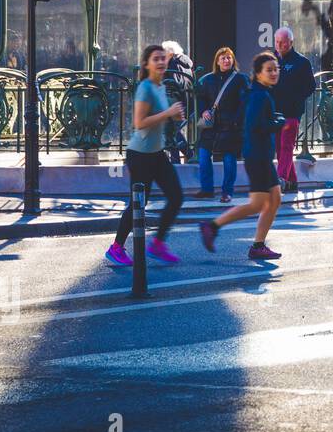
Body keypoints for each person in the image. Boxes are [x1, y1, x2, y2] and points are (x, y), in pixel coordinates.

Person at [198, 52, 286, 261]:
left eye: (276, 69)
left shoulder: (260, 92)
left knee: (275, 200)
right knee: (257, 204)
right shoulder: (259, 95)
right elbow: (256, 126)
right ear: (258, 73)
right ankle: (212, 226)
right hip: (257, 157)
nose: (274, 73)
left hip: (261, 155)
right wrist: (277, 123)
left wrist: (274, 120)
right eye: (269, 70)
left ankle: (258, 245)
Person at [105, 44, 186, 267]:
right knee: (138, 204)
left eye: (163, 58)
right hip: (140, 155)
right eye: (156, 59)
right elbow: (140, 123)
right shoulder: (145, 87)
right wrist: (168, 113)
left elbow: (161, 118)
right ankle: (116, 247)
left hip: (156, 153)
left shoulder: (160, 87)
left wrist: (174, 116)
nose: (161, 62)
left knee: (176, 196)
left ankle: (158, 243)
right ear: (146, 64)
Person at [193, 47, 247, 202]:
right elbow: (202, 97)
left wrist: (236, 121)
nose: (226, 60)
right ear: (217, 61)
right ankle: (207, 189)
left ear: (233, 60)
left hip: (230, 126)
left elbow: (243, 103)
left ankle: (227, 192)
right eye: (223, 58)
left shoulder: (240, 79)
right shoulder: (208, 79)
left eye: (229, 57)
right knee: (203, 155)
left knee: (229, 159)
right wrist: (204, 111)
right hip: (212, 124)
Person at [272, 27, 315, 193]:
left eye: (283, 42)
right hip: (275, 112)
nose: (280, 45)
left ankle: (280, 179)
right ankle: (292, 182)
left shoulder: (301, 62)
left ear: (291, 42)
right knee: (279, 147)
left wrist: (296, 98)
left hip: (292, 113)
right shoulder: (271, 59)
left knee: (286, 146)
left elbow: (311, 86)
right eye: (277, 42)